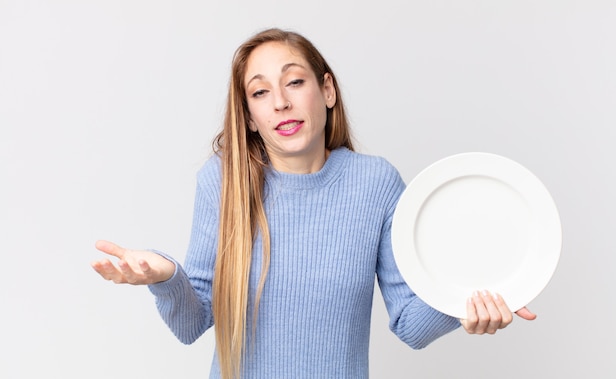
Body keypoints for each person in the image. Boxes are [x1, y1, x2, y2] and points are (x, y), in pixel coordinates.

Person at [91, 28, 536, 379]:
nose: (281, 102)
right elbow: (192, 324)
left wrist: (466, 297)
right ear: (248, 116)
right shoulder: (223, 181)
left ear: (326, 91)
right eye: (260, 92)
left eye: (295, 82)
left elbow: (410, 324)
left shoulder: (375, 183)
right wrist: (166, 277)